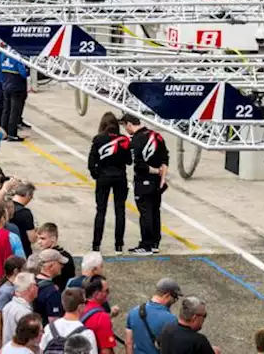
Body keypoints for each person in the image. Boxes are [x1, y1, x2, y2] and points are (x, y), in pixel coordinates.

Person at [88, 112, 131, 254]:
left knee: (101, 210)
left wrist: (97, 175)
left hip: (104, 177)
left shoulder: (98, 139)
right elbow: (129, 161)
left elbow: (91, 161)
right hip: (120, 177)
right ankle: (119, 244)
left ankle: (96, 245)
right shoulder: (124, 140)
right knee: (120, 211)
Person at [128, 114, 167, 255]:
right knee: (155, 211)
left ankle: (147, 245)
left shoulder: (136, 140)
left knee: (145, 213)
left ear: (129, 124)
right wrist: (162, 175)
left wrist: (156, 171)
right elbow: (165, 157)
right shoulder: (157, 136)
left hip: (144, 181)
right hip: (157, 182)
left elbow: (139, 165)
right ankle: (155, 243)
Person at [124, 279, 182, 354]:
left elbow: (128, 343)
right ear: (167, 295)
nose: (175, 301)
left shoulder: (134, 312)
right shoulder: (171, 320)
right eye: (175, 297)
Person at [40, 288, 99, 354]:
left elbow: (40, 351)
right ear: (80, 307)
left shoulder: (49, 328)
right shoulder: (87, 334)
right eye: (85, 302)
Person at [0, 272, 37, 348]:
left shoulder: (8, 306)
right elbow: (29, 340)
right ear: (31, 288)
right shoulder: (24, 312)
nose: (37, 288)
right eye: (36, 285)